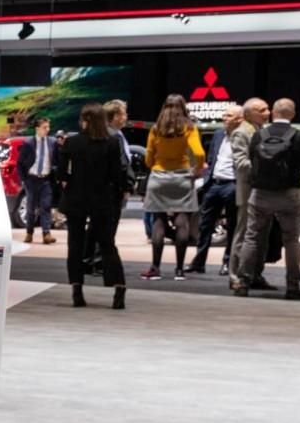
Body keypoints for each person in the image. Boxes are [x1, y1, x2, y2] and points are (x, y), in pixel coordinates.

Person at [233, 98, 300, 299]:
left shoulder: (259, 135)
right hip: (289, 194)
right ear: (293, 114)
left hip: (260, 194)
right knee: (291, 240)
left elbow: (252, 160)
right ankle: (293, 286)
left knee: (252, 237)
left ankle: (243, 283)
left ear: (274, 113)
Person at [58, 103, 128, 310]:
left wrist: (70, 181)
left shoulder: (71, 142)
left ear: (85, 120)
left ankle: (77, 290)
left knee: (75, 244)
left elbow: (62, 174)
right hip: (102, 199)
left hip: (76, 199)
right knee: (107, 244)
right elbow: (117, 175)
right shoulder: (112, 143)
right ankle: (119, 288)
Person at [139, 95, 206, 280]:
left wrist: (153, 165)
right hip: (182, 177)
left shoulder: (156, 128)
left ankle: (155, 268)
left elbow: (149, 156)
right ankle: (179, 270)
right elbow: (199, 152)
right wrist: (198, 169)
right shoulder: (189, 128)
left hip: (159, 177)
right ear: (183, 107)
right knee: (182, 222)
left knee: (158, 221)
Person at [189, 106, 242, 275]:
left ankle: (228, 262)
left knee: (232, 225)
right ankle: (199, 262)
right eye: (224, 115)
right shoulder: (219, 134)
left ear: (240, 119)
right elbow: (212, 157)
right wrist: (207, 178)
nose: (224, 118)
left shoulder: (243, 136)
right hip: (214, 184)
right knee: (205, 224)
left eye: (229, 115)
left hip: (232, 184)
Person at [229, 97, 273, 291]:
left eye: (267, 109)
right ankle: (235, 276)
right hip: (248, 190)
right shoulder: (241, 133)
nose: (267, 113)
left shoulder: (265, 131)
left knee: (262, 235)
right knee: (244, 234)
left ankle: (255, 275)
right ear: (248, 114)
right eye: (261, 110)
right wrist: (267, 163)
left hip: (264, 190)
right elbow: (241, 164)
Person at [18, 118, 58, 245]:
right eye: (44, 127)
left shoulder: (52, 142)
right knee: (31, 208)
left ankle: (46, 234)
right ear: (37, 128)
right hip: (31, 179)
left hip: (46, 179)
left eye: (48, 127)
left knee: (46, 206)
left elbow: (56, 160)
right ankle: (29, 232)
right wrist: (24, 180)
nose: (47, 130)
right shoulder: (28, 143)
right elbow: (20, 163)